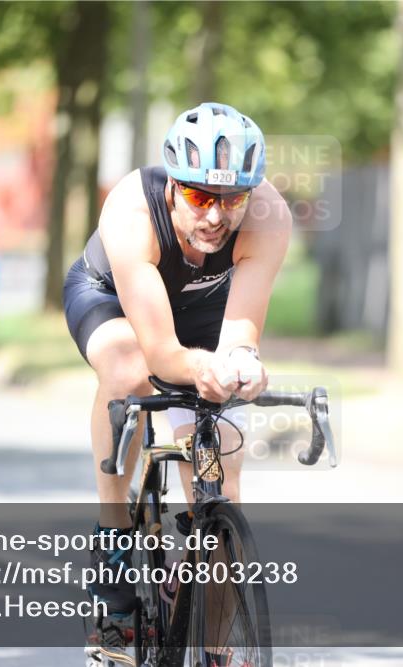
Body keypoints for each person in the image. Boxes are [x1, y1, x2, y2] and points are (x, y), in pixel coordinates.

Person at [63, 102, 291, 666]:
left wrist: (243, 364)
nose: (215, 216)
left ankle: (212, 643)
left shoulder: (269, 216)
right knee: (129, 370)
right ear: (172, 185)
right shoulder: (131, 210)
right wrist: (200, 370)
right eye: (198, 196)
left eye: (232, 199)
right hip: (113, 301)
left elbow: (239, 336)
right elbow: (162, 354)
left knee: (220, 485)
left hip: (204, 313)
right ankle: (113, 541)